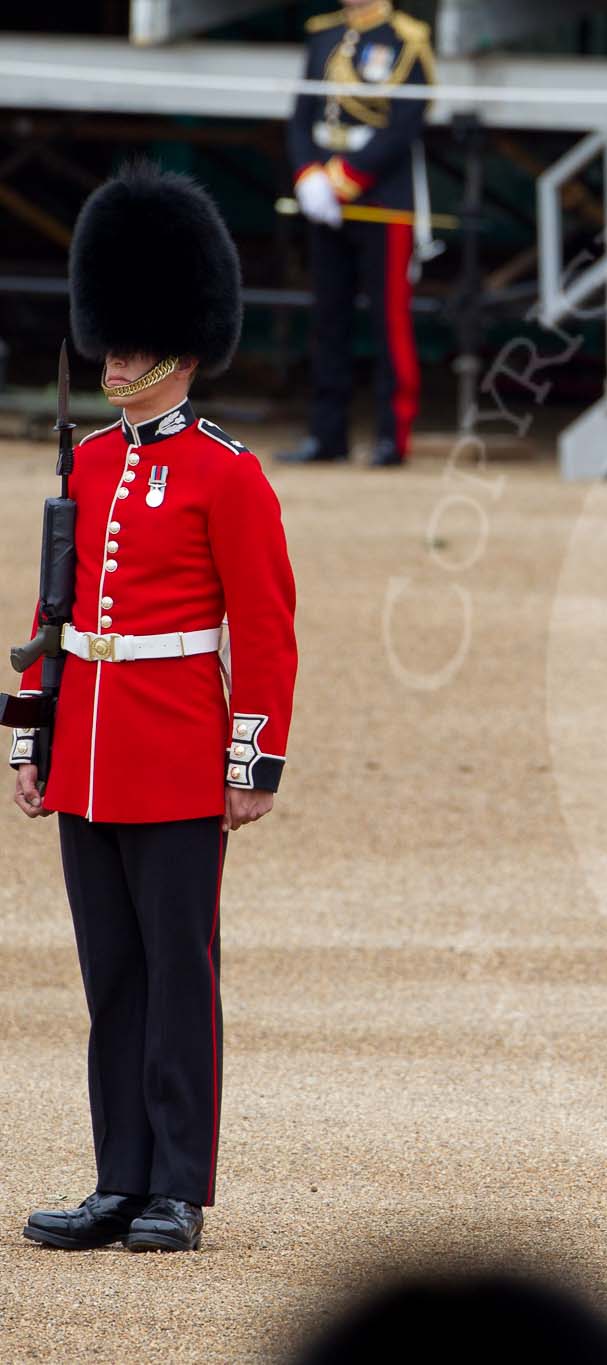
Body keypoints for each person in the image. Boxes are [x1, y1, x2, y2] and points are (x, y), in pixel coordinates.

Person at [9, 163, 298, 1254]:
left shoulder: (230, 476)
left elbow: (264, 630)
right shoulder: (84, 464)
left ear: (182, 350)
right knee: (111, 975)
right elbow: (54, 615)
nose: (112, 358)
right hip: (86, 748)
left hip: (176, 747)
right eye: (108, 342)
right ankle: (116, 1177)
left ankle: (177, 1183)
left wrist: (250, 762)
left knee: (180, 973)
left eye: (131, 346)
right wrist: (33, 737)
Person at [281, 0, 435, 468]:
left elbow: (405, 123)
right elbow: (303, 114)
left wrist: (346, 178)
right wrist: (308, 174)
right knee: (328, 319)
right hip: (324, 201)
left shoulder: (407, 39)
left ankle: (394, 436)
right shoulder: (324, 35)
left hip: (382, 201)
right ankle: (327, 435)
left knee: (390, 321)